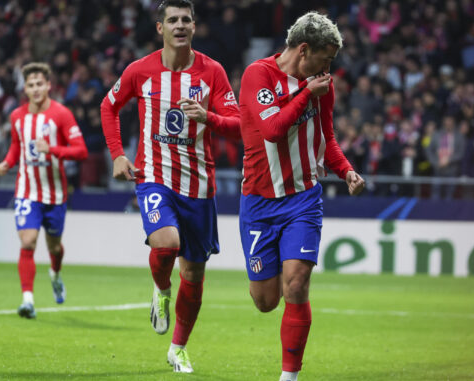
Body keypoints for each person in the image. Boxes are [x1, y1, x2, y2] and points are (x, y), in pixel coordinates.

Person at [100, 0, 241, 373]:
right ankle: (162, 289)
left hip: (198, 185)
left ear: (194, 27)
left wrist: (207, 117)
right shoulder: (140, 70)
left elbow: (239, 123)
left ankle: (177, 348)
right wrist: (118, 154)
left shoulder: (212, 72)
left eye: (186, 20)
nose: (180, 25)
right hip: (154, 177)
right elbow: (108, 106)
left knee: (193, 275)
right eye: (172, 20)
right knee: (166, 243)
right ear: (160, 28)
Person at [238, 12, 365, 381]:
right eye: (325, 59)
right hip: (259, 201)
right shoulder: (258, 75)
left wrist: (346, 170)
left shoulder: (322, 84)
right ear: (304, 49)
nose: (329, 69)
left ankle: (289, 376)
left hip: (302, 199)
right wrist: (307, 92)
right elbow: (273, 130)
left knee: (296, 282)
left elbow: (326, 138)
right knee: (265, 302)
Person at [0, 62, 88, 319]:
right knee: (28, 241)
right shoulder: (17, 117)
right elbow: (17, 146)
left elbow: (81, 150)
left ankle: (56, 274)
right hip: (27, 191)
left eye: (39, 84)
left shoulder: (61, 114)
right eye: (30, 85)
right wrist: (8, 162)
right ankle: (27, 300)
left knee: (55, 247)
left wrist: (54, 149)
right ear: (24, 88)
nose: (35, 89)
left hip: (56, 195)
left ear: (49, 85)